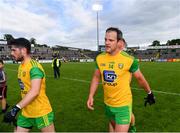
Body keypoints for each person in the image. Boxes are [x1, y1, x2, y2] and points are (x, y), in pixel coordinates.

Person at [87, 27, 155, 132]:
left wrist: (149, 93)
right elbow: (96, 77)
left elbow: (140, 79)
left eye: (111, 40)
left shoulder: (129, 60)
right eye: (105, 39)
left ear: (119, 42)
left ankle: (131, 125)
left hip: (123, 105)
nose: (107, 43)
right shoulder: (99, 58)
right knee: (113, 127)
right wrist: (91, 95)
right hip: (108, 104)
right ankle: (131, 125)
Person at [3, 38, 55, 132]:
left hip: (41, 111)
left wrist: (15, 109)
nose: (11, 53)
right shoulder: (21, 66)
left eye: (14, 50)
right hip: (26, 111)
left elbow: (35, 91)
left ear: (23, 50)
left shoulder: (34, 67)